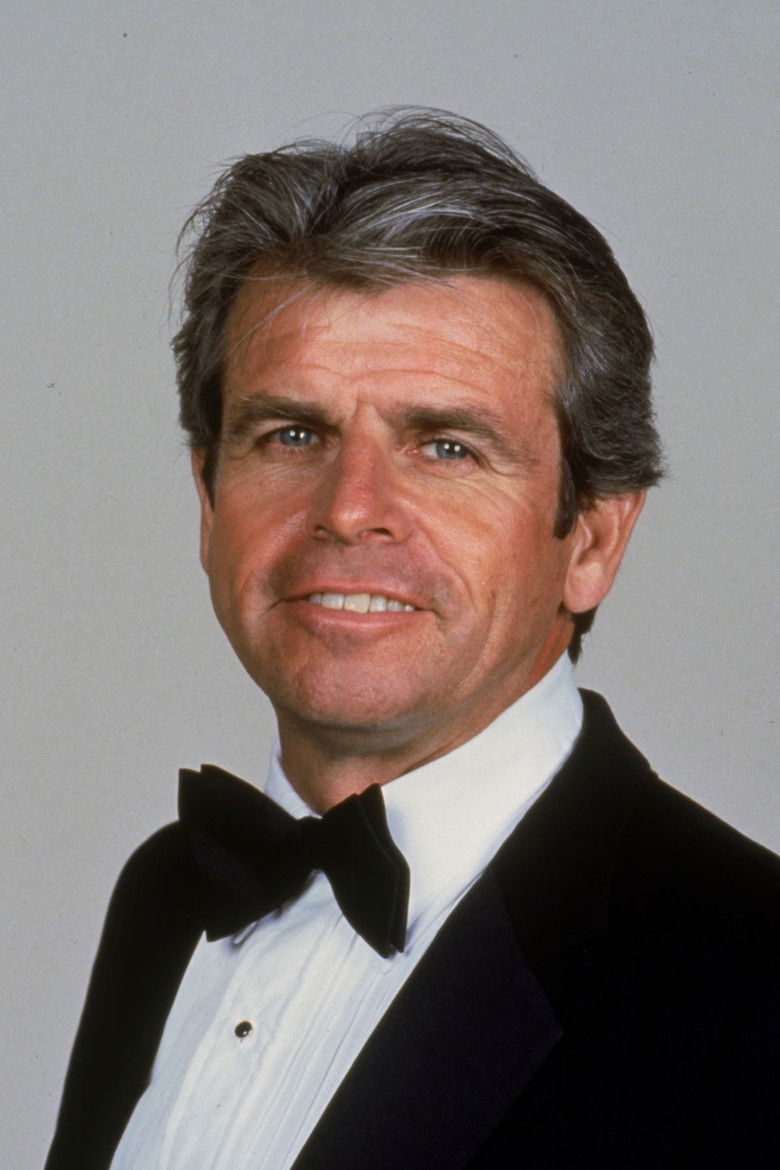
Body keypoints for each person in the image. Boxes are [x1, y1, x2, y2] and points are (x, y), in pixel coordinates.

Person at [46, 109, 779, 1170]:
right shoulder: (167, 896)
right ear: (208, 500)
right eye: (292, 434)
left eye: (446, 447)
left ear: (592, 537)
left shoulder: (752, 988)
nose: (350, 509)